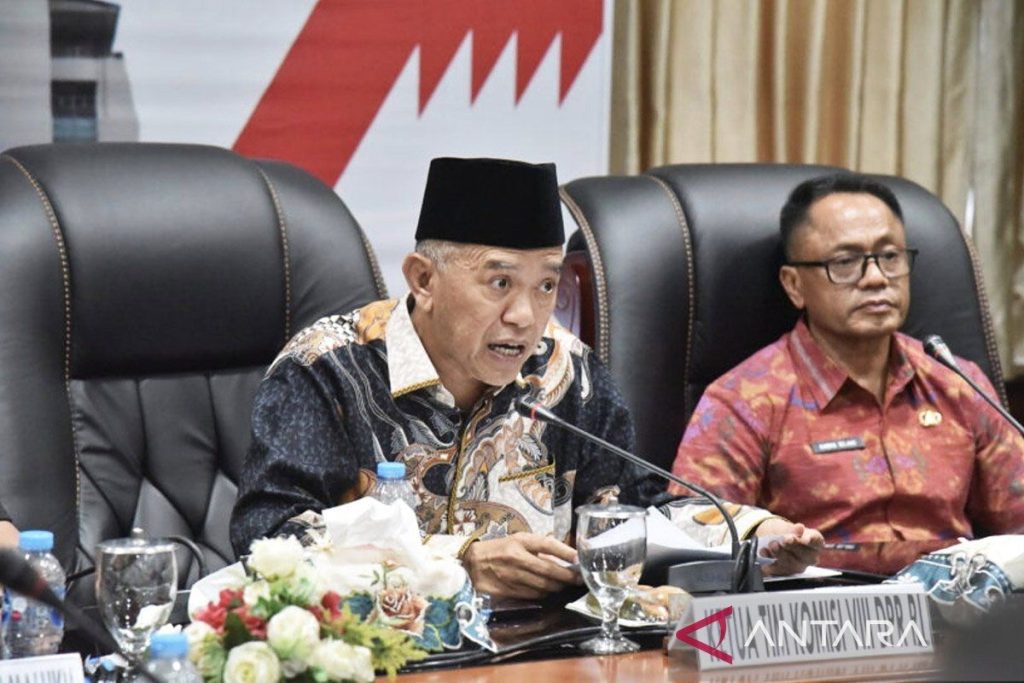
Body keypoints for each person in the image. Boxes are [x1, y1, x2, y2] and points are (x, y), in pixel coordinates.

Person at [231, 157, 822, 600]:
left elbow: (631, 511)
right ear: (423, 280)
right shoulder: (328, 369)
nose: (525, 315)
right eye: (500, 283)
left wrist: (753, 536)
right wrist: (461, 562)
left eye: (546, 285)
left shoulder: (568, 372)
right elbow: (270, 538)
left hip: (540, 654)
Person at [670, 173, 1024, 548]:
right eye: (845, 261)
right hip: (818, 584)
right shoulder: (745, 399)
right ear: (794, 285)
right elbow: (693, 533)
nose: (876, 278)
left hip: (953, 583)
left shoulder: (956, 381)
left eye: (890, 257)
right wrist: (767, 542)